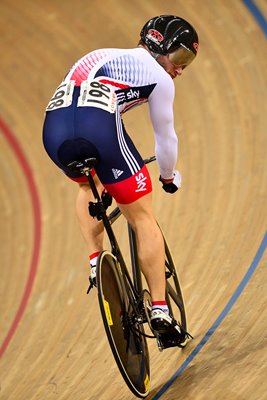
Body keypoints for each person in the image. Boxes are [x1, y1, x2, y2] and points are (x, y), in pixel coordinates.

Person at [42, 15, 199, 339]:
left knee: (89, 181)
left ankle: (95, 259)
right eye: (180, 57)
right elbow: (166, 139)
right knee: (142, 217)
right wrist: (168, 177)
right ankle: (160, 310)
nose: (181, 69)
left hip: (54, 132)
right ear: (158, 46)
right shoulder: (159, 76)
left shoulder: (100, 54)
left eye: (188, 61)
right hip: (97, 126)